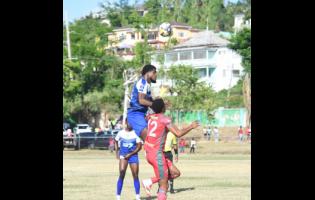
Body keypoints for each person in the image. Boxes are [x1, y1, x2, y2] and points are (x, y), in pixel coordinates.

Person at [141, 99, 199, 200]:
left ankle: (149, 181)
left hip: (149, 153)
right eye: (164, 106)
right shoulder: (164, 119)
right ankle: (152, 183)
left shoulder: (150, 118)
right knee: (164, 186)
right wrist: (191, 126)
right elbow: (178, 133)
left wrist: (161, 106)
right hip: (157, 155)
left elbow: (154, 110)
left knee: (176, 173)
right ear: (163, 108)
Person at [127, 64, 157, 141]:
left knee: (153, 139)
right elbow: (141, 100)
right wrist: (155, 104)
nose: (155, 75)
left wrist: (161, 104)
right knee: (149, 141)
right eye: (154, 72)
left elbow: (149, 102)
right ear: (148, 73)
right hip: (135, 114)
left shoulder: (147, 85)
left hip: (142, 114)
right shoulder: (143, 83)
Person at [114, 119, 142, 200]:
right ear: (126, 123)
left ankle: (137, 197)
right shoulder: (121, 133)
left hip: (133, 156)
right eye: (129, 122)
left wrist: (130, 154)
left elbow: (139, 147)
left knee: (135, 175)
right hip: (123, 156)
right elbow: (115, 141)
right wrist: (117, 153)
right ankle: (118, 197)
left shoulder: (136, 133)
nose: (130, 124)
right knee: (122, 173)